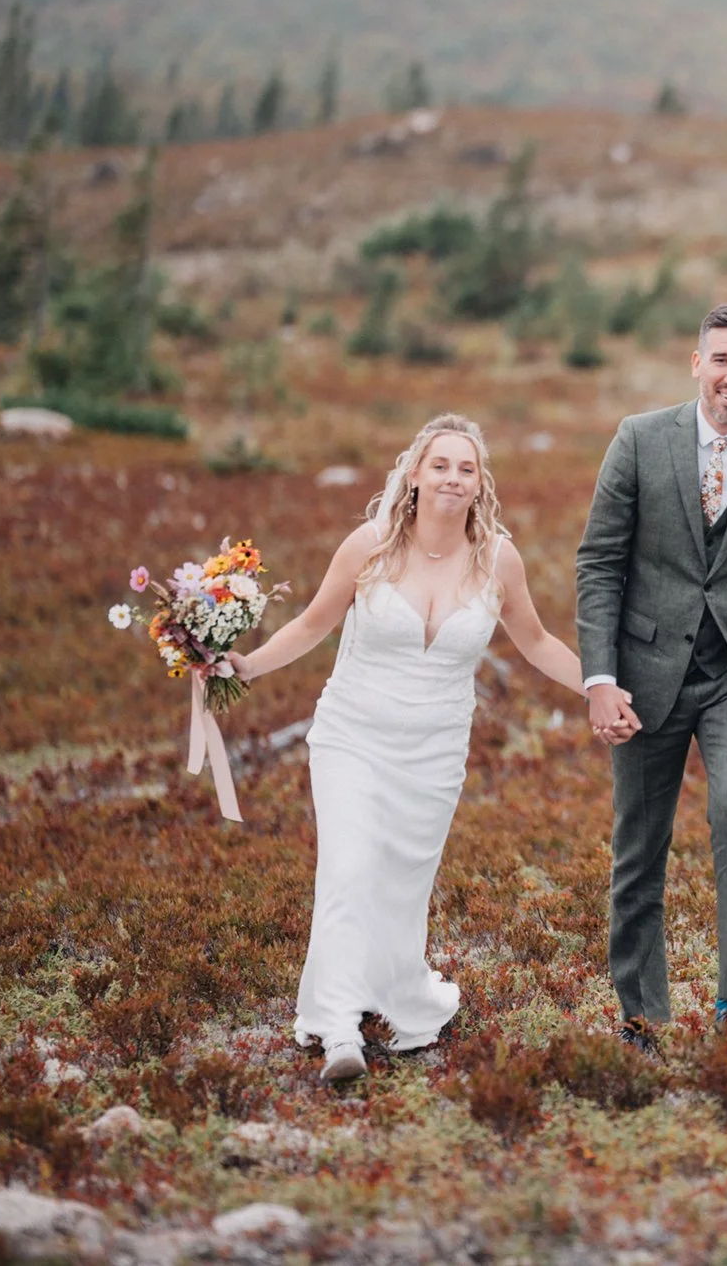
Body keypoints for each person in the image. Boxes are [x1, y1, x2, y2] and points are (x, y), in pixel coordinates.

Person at [232, 414, 622, 1084]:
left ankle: (399, 999)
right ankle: (338, 1031)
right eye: (440, 464)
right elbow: (313, 624)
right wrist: (248, 667)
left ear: (480, 483)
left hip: (435, 752)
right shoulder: (370, 545)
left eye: (466, 468)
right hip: (353, 735)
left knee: (400, 889)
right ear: (415, 473)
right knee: (349, 869)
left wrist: (600, 687)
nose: (452, 477)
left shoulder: (498, 557)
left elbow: (534, 643)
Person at [577, 303, 727, 1050]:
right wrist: (599, 678)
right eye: (721, 360)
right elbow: (599, 564)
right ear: (696, 364)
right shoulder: (639, 439)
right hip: (646, 674)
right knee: (639, 843)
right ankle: (642, 1015)